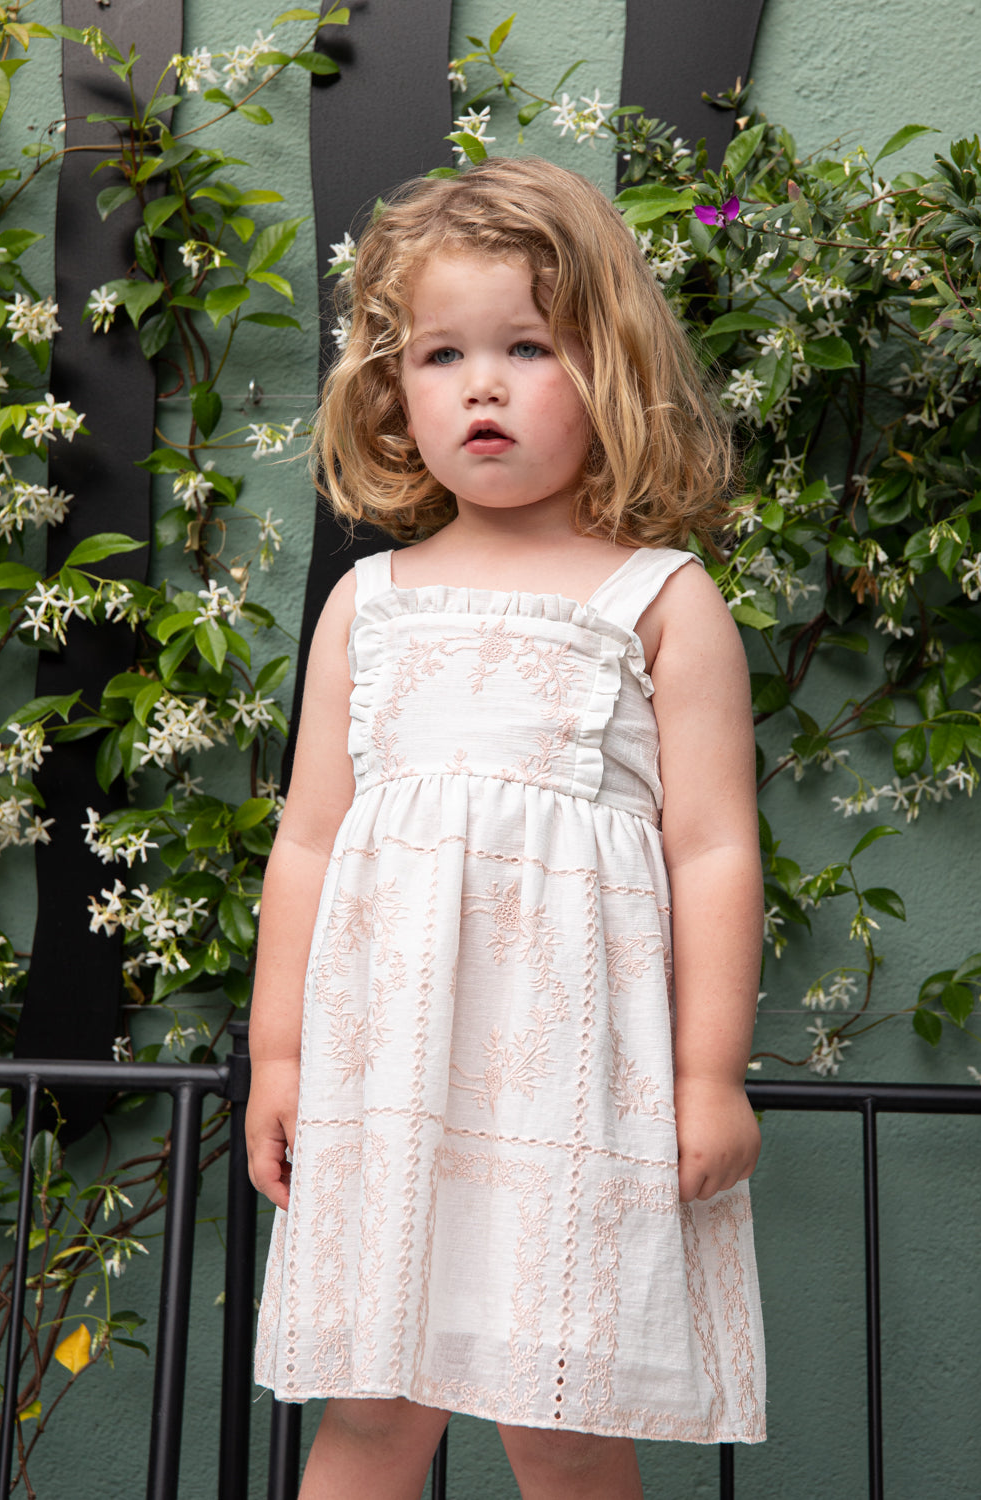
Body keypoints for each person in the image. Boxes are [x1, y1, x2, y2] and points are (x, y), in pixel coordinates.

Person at [247, 154, 765, 1500]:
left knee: (560, 1418)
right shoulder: (372, 605)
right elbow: (308, 841)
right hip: (388, 1083)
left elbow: (711, 849)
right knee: (374, 1410)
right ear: (391, 390)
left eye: (529, 346)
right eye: (440, 354)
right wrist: (278, 1055)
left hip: (570, 1091)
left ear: (611, 370)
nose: (481, 385)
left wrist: (708, 1075)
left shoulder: (659, 603)